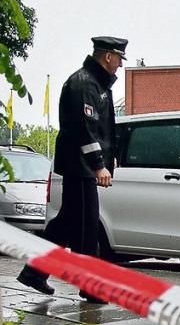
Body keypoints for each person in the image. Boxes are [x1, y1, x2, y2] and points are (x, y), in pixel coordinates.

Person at [16, 36, 126, 304]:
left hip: (82, 167)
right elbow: (84, 130)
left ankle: (34, 271)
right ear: (108, 56)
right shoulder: (84, 84)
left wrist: (108, 159)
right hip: (81, 168)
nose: (121, 66)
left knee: (65, 226)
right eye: (119, 59)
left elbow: (100, 129)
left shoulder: (95, 83)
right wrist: (99, 164)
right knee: (87, 231)